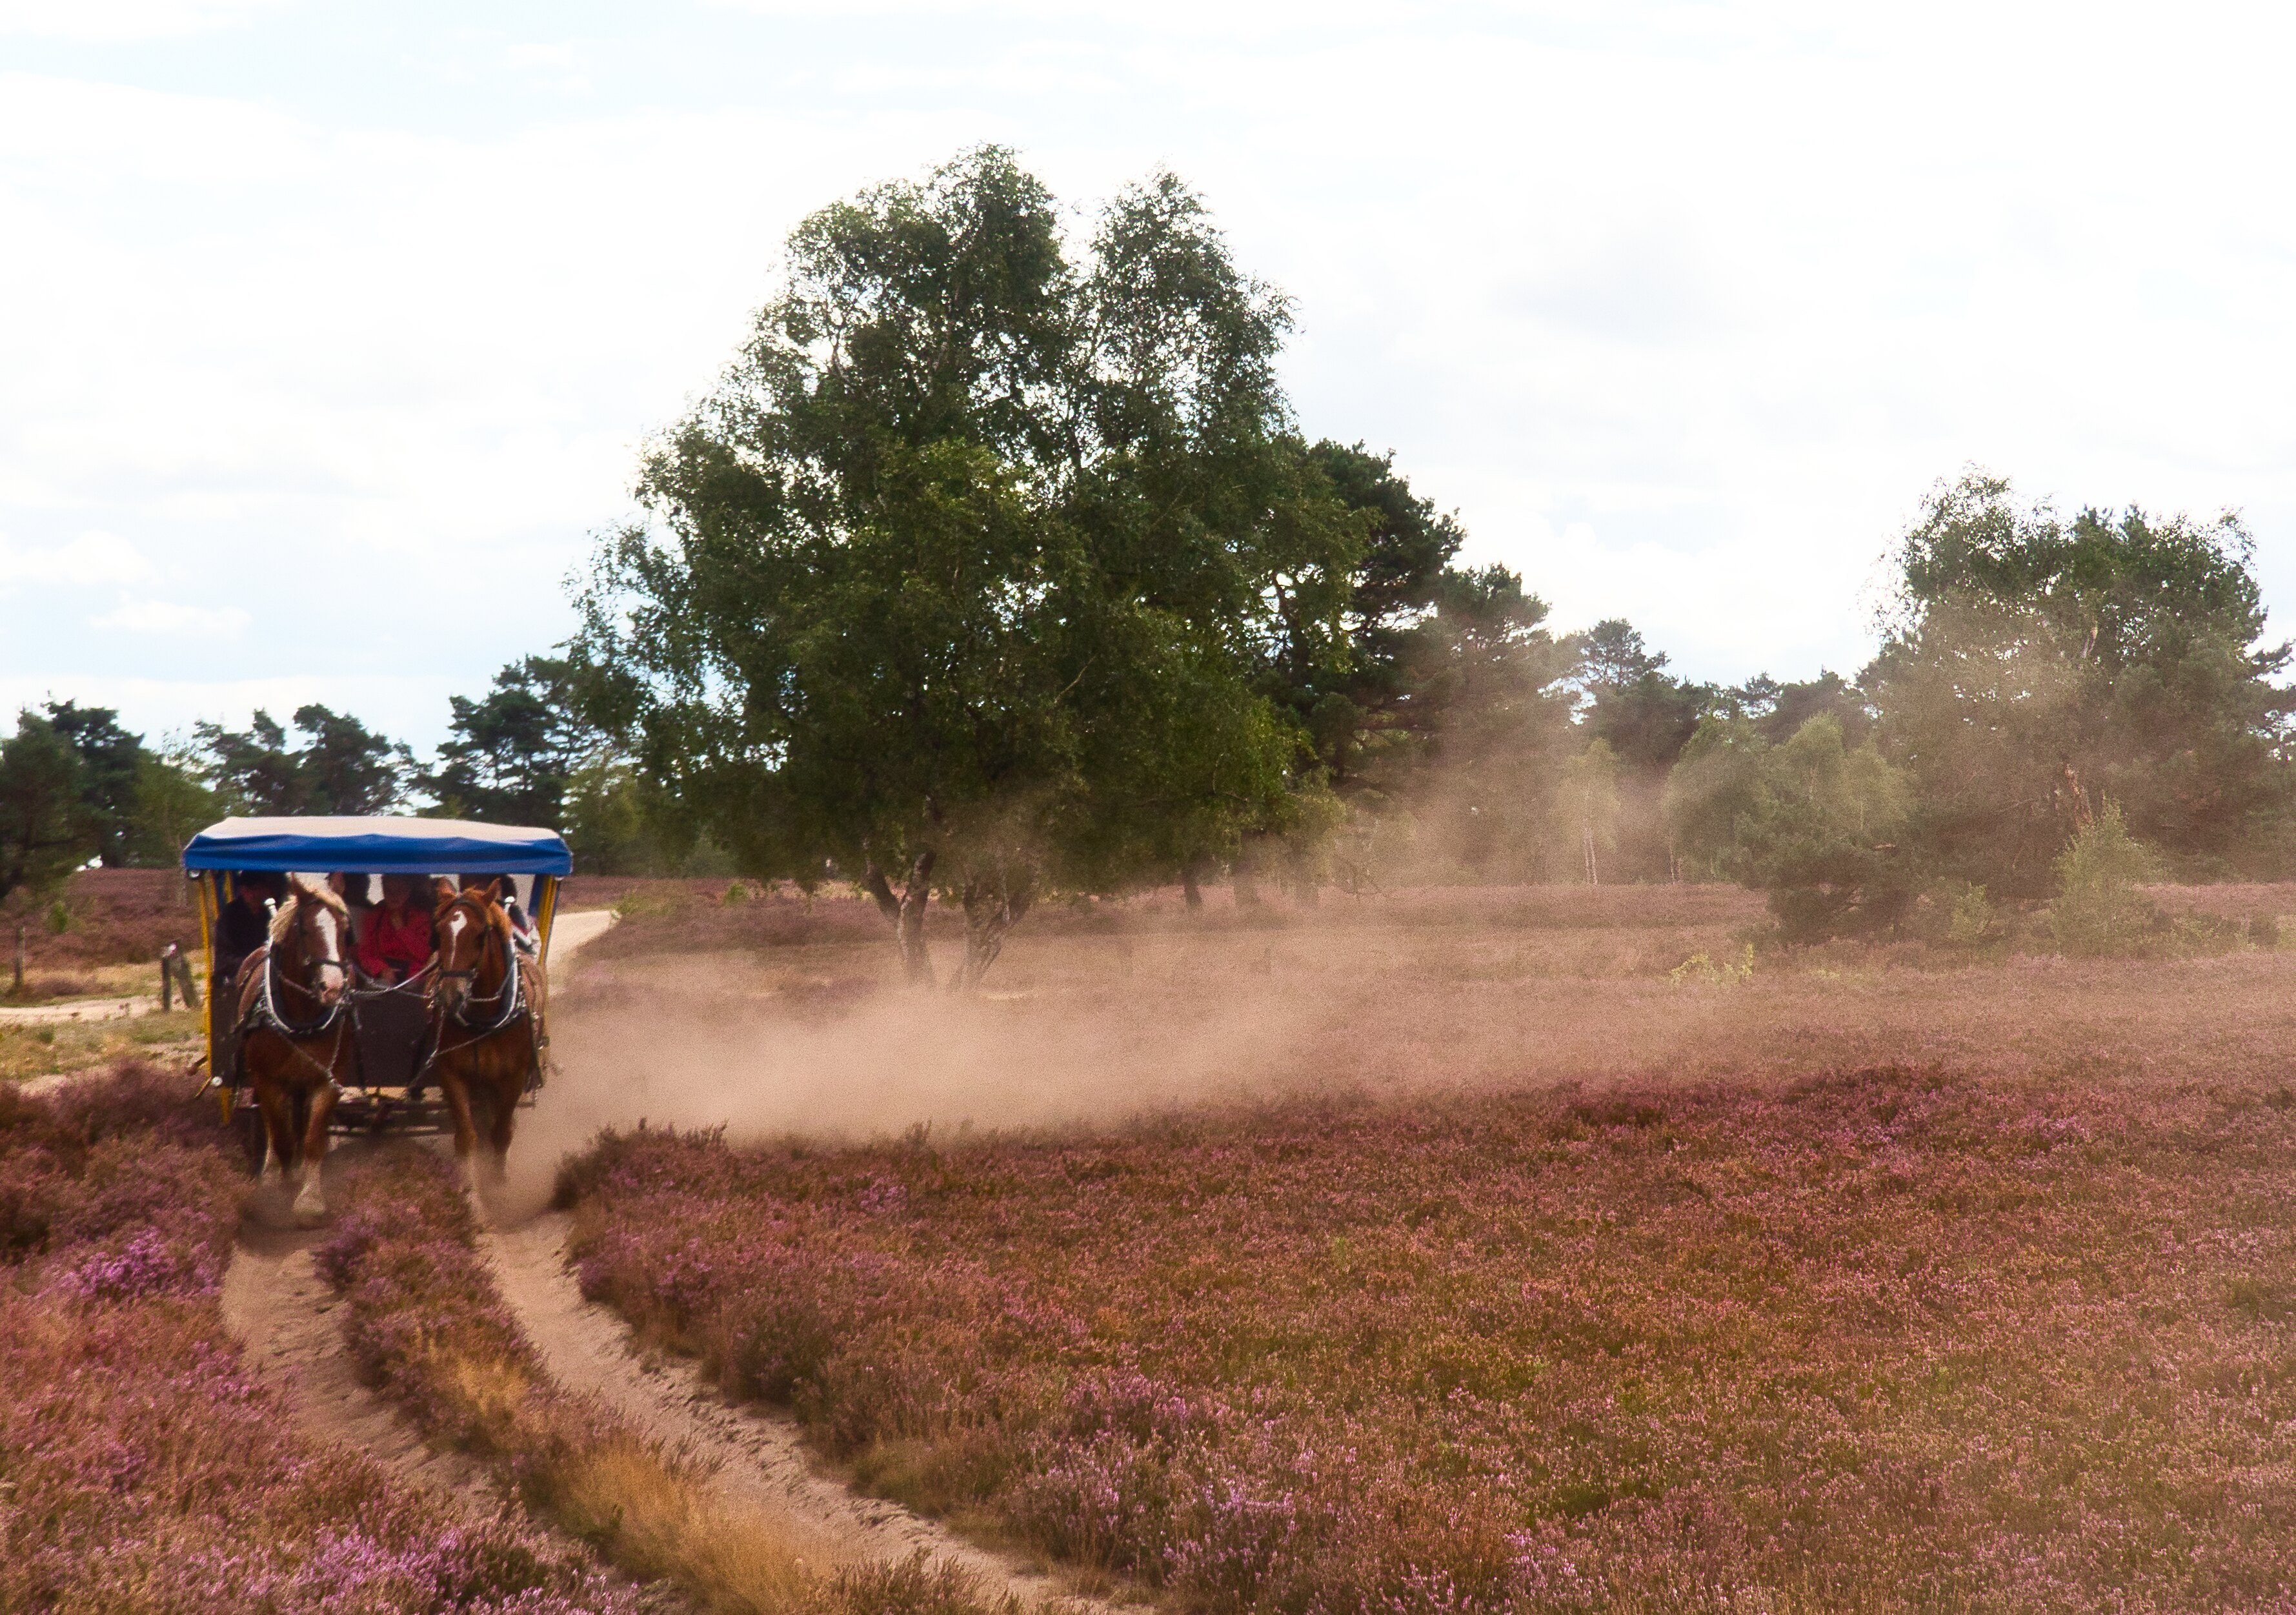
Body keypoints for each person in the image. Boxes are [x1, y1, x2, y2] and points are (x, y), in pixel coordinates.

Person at [356, 873, 436, 985]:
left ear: (408, 891)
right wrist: (381, 970)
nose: (394, 896)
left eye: (399, 890)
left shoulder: (421, 917)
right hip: (383, 972)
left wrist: (402, 930)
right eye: (389, 891)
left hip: (414, 975)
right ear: (383, 889)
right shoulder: (374, 917)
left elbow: (424, 955)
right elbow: (365, 953)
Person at [213, 871, 282, 993]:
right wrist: (253, 963)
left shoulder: (272, 913)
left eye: (262, 889)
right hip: (238, 976)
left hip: (272, 971)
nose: (259, 894)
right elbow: (224, 959)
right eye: (255, 890)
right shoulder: (229, 917)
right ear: (243, 891)